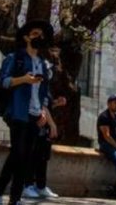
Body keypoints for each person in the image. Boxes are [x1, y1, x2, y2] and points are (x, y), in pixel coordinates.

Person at [0, 20, 54, 205]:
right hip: (18, 113)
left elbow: (44, 93)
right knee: (19, 154)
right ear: (26, 37)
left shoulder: (42, 64)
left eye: (41, 35)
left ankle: (13, 198)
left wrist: (43, 112)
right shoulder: (15, 58)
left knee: (23, 157)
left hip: (35, 116)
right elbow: (4, 81)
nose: (38, 38)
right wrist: (24, 79)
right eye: (35, 34)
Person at [22, 47, 67, 200]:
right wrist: (52, 124)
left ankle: (40, 186)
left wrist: (56, 103)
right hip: (34, 119)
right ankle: (27, 185)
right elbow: (40, 103)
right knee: (31, 153)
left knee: (42, 155)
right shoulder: (40, 74)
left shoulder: (47, 84)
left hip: (43, 122)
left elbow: (46, 103)